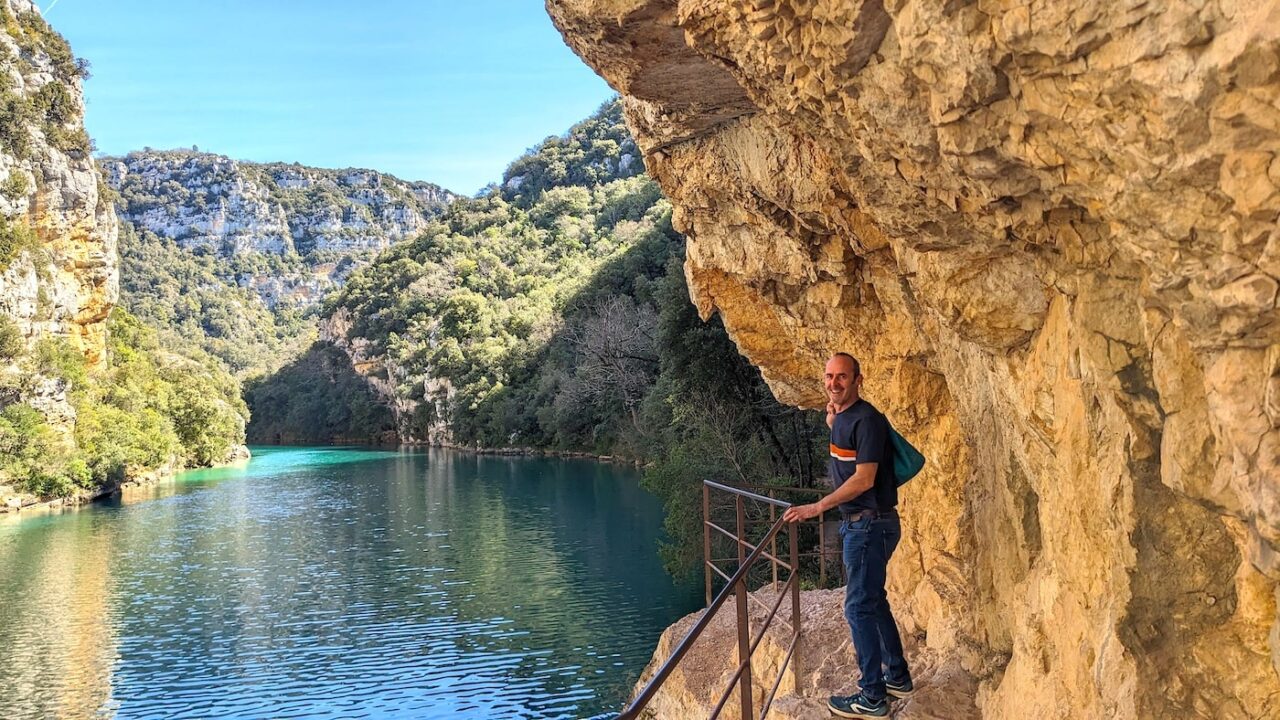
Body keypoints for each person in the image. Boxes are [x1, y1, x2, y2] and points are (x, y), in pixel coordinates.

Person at [782, 353, 913, 719]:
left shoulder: (868, 420)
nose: (834, 383)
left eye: (842, 377)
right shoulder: (843, 418)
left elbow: (864, 478)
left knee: (857, 607)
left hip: (869, 525)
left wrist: (816, 507)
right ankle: (897, 677)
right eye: (829, 376)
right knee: (874, 601)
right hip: (863, 524)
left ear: (859, 379)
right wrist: (831, 423)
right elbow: (846, 456)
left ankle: (872, 696)